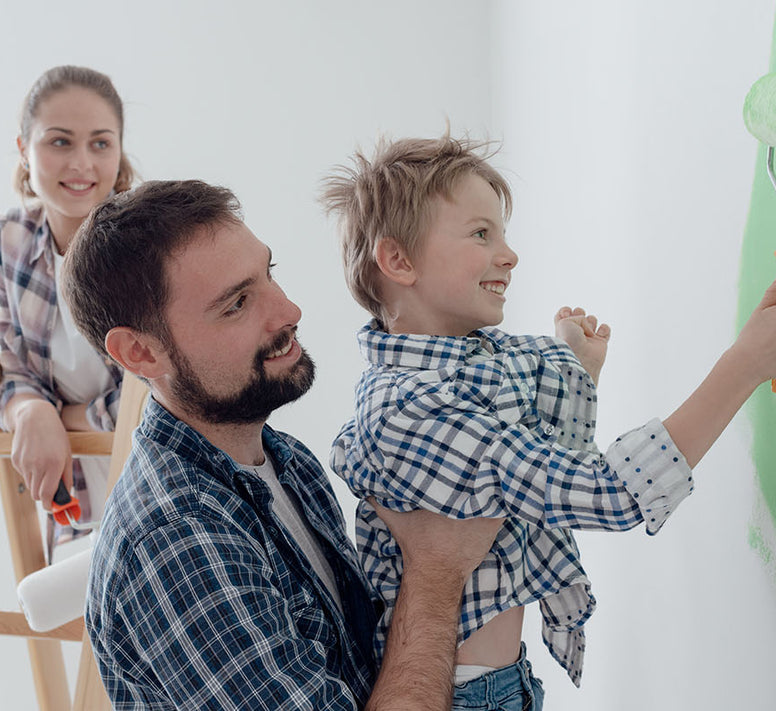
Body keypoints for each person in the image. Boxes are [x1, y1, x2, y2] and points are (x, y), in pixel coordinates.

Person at [321, 135, 776, 709]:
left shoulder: (483, 358)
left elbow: (546, 456)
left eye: (503, 235)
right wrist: (746, 365)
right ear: (399, 261)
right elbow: (606, 492)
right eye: (481, 234)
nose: (509, 254)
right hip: (462, 696)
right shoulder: (411, 408)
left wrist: (573, 369)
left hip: (503, 681)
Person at [62, 179, 506, 709]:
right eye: (238, 303)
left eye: (268, 274)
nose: (289, 311)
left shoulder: (286, 460)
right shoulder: (176, 541)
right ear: (139, 352)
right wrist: (435, 570)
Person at [0, 65, 135, 550]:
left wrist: (64, 418)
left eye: (100, 143)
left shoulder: (149, 244)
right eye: (60, 142)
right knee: (63, 610)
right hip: (73, 491)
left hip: (159, 484)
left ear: (118, 151)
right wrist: (30, 412)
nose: (81, 164)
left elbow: (164, 393)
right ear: (24, 149)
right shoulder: (7, 239)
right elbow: (14, 369)